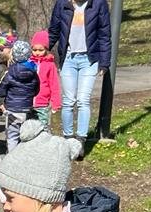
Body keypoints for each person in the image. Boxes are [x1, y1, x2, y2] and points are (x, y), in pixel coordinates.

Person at [47, 0, 112, 146]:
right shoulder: (62, 4)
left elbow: (104, 35)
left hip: (89, 60)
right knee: (68, 101)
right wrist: (41, 50)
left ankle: (81, 140)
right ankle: (68, 138)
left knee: (83, 100)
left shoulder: (98, 4)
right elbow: (53, 32)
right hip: (68, 58)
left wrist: (104, 63)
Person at [0, 40, 39, 150]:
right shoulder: (33, 73)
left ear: (13, 55)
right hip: (27, 108)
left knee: (12, 136)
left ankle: (12, 156)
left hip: (12, 109)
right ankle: (23, 155)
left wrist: (3, 97)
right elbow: (36, 90)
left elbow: (1, 90)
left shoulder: (10, 72)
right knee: (25, 135)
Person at [30, 30, 62, 129]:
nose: (37, 53)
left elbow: (54, 85)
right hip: (28, 102)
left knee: (43, 127)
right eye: (34, 50)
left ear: (46, 49)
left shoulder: (50, 65)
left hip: (42, 103)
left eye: (41, 50)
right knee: (29, 128)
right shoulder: (29, 63)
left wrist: (56, 103)